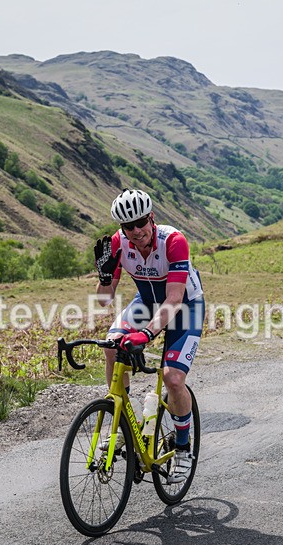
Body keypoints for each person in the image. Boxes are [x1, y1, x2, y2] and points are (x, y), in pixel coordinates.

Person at [94, 189, 204, 484]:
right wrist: (105, 278)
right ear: (121, 228)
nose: (136, 231)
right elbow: (105, 300)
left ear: (151, 218)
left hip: (184, 306)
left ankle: (182, 447)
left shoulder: (174, 241)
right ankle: (120, 426)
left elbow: (174, 299)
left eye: (140, 222)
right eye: (128, 226)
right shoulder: (118, 244)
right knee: (111, 346)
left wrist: (147, 333)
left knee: (173, 378)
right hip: (146, 302)